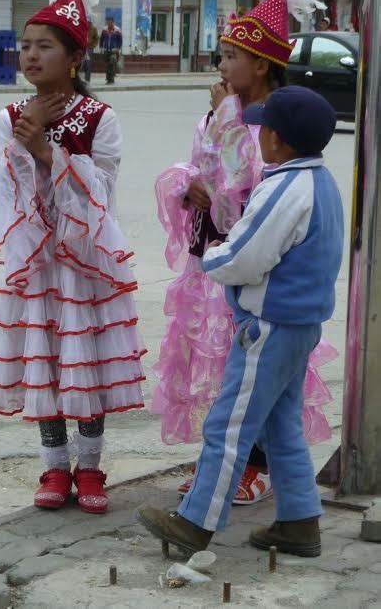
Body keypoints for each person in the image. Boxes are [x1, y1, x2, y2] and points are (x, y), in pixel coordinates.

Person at [151, 0, 335, 505]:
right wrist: (191, 186)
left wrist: (221, 158)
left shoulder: (267, 122)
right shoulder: (223, 110)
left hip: (252, 263)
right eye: (223, 53)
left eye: (232, 55)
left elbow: (245, 194)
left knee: (251, 368)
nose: (223, 64)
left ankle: (252, 465)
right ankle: (232, 461)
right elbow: (206, 171)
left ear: (261, 65)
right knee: (220, 366)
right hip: (215, 257)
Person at [138, 85, 344, 557]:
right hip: (300, 327)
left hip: (268, 326)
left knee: (227, 428)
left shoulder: (283, 187)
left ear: (277, 140)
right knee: (281, 427)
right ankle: (299, 522)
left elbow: (248, 255)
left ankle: (194, 523)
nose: (258, 135)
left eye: (263, 127)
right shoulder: (321, 182)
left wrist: (214, 257)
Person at [0, 0, 145, 515]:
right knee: (48, 360)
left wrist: (47, 150)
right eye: (25, 46)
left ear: (76, 57)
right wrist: (27, 144)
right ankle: (54, 468)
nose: (30, 55)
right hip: (39, 258)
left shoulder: (101, 118)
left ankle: (92, 466)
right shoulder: (11, 117)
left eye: (45, 46)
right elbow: (10, 195)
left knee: (86, 362)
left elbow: (99, 194)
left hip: (86, 260)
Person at [100, 17, 122, 84]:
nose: (109, 23)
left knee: (112, 64)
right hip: (106, 50)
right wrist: (101, 47)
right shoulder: (104, 29)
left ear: (113, 22)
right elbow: (101, 39)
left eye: (110, 22)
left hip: (113, 51)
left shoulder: (117, 30)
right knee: (107, 65)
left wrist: (118, 48)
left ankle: (111, 79)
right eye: (108, 22)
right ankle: (108, 78)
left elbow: (120, 40)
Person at [81, 18, 99, 83]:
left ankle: (87, 80)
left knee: (88, 64)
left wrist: (93, 46)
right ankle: (78, 79)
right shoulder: (82, 28)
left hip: (89, 49)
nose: (87, 23)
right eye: (86, 22)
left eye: (88, 22)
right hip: (82, 48)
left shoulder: (93, 29)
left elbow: (96, 38)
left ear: (90, 22)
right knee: (81, 64)